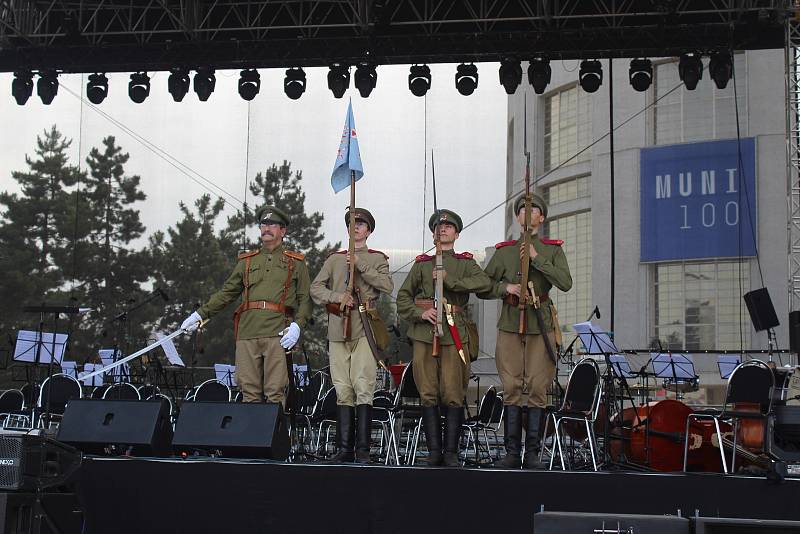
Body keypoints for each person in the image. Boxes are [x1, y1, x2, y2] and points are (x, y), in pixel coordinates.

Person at [180, 206, 312, 404]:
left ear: (282, 231)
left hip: (278, 332)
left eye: (272, 225)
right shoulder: (247, 261)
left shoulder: (296, 262)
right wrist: (200, 314)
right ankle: (252, 436)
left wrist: (297, 327)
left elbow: (306, 300)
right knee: (248, 392)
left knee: (275, 392)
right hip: (247, 332)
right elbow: (227, 293)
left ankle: (276, 435)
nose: (266, 228)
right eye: (263, 224)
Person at [479, 194, 572, 469]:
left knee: (537, 388)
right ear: (518, 218)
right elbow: (483, 284)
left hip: (539, 325)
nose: (527, 214)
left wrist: (537, 258)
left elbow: (565, 282)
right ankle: (511, 452)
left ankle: (532, 454)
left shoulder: (552, 250)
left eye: (533, 210)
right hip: (510, 323)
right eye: (522, 210)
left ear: (541, 218)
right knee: (511, 387)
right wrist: (504, 288)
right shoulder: (505, 250)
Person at [396, 210, 491, 467]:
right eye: (439, 226)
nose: (443, 229)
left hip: (453, 332)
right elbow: (403, 298)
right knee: (427, 392)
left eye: (448, 226)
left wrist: (451, 280)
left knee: (452, 391)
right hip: (424, 334)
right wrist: (420, 312)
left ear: (457, 234)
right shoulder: (422, 264)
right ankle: (434, 452)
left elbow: (484, 284)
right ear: (433, 233)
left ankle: (451, 453)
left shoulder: (465, 262)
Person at [310, 208, 394, 463]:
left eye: (361, 224)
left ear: (368, 230)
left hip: (364, 328)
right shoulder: (334, 259)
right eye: (352, 223)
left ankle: (362, 450)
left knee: (363, 385)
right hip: (338, 328)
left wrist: (361, 266)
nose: (355, 227)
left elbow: (387, 285)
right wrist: (337, 297)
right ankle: (344, 448)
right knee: (342, 388)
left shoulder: (377, 258)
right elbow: (315, 288)